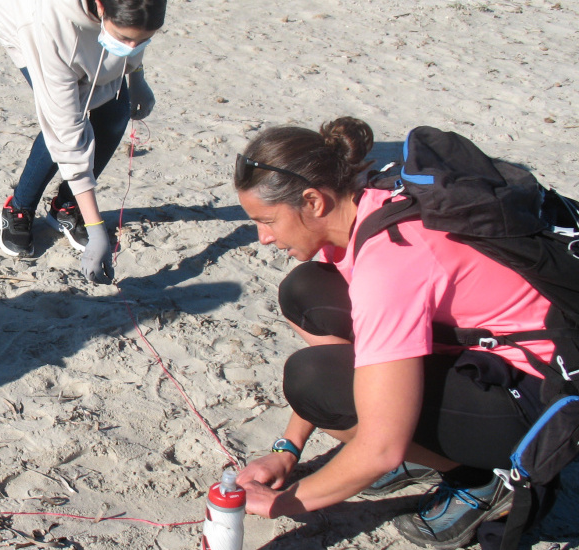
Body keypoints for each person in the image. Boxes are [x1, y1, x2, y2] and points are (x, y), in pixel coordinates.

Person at [232, 117, 560, 548]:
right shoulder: (364, 201)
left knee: (313, 380)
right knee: (304, 290)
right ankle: (429, 451)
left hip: (538, 400)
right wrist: (287, 449)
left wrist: (283, 504)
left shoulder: (389, 264)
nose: (263, 238)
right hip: (488, 349)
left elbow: (380, 448)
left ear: (313, 201)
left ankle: (482, 481)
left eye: (268, 220)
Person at [0, 0, 166, 283]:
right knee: (64, 121)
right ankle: (18, 207)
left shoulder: (133, 13)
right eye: (123, 38)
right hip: (29, 21)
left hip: (88, 32)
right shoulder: (46, 27)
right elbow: (66, 132)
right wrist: (96, 229)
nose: (132, 47)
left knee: (116, 111)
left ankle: (67, 206)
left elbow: (133, 34)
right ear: (100, 5)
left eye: (143, 40)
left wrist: (137, 77)